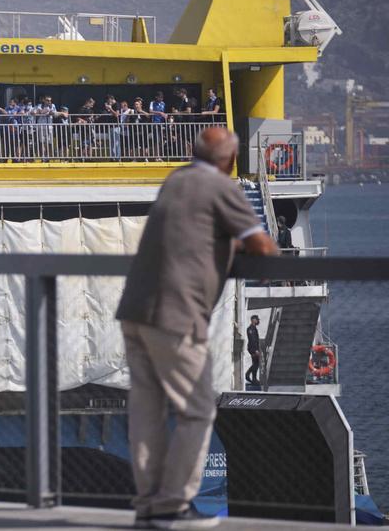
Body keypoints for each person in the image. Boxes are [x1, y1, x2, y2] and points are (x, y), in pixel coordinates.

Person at [115, 126, 277, 529]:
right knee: (199, 410)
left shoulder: (176, 179)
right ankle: (173, 504)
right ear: (229, 160)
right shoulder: (223, 188)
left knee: (146, 410)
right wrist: (239, 244)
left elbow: (191, 231)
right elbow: (263, 247)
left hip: (135, 307)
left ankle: (149, 503)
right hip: (176, 313)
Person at [245, 315, 262, 387]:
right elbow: (252, 340)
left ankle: (254, 378)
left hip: (254, 349)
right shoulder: (250, 329)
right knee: (256, 363)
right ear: (253, 320)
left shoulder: (254, 328)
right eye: (256, 319)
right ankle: (248, 374)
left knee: (256, 363)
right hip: (253, 349)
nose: (258, 321)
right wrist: (255, 350)